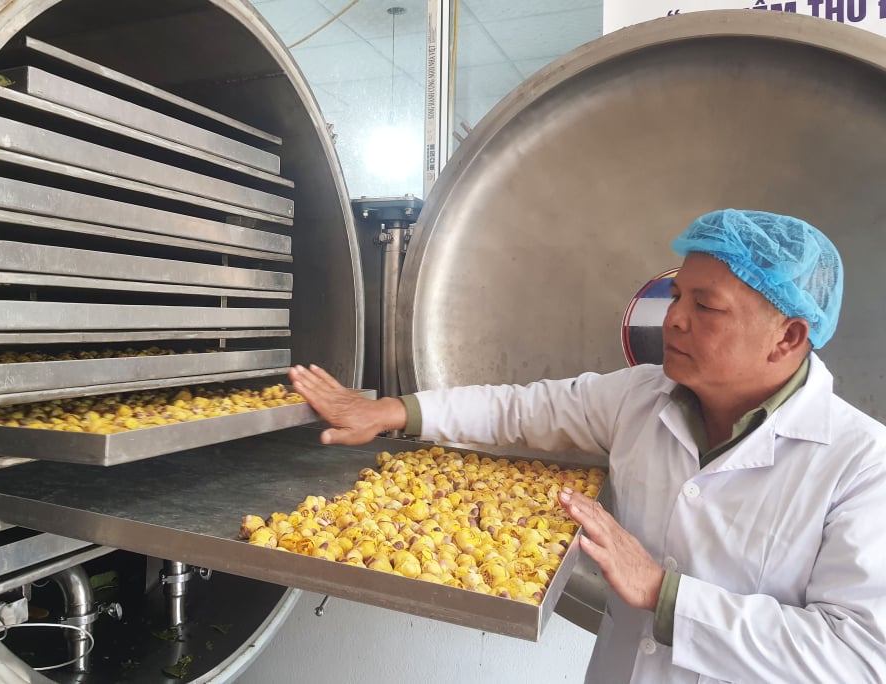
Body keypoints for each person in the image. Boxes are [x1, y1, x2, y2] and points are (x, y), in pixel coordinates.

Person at [287, 209, 886, 683]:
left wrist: (662, 593)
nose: (673, 319)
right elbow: (523, 409)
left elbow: (860, 658)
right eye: (677, 296)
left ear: (788, 336)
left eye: (705, 307)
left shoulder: (862, 463)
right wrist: (390, 412)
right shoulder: (643, 397)